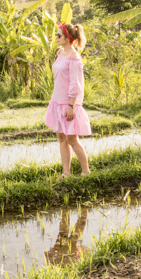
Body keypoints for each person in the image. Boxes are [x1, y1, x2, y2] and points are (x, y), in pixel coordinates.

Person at [45, 22, 91, 178]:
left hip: (67, 104)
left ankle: (86, 171)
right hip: (56, 101)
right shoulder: (60, 53)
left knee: (72, 139)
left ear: (68, 38)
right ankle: (66, 172)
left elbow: (75, 84)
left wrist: (71, 106)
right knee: (61, 138)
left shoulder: (74, 57)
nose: (56, 37)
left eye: (59, 35)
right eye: (56, 34)